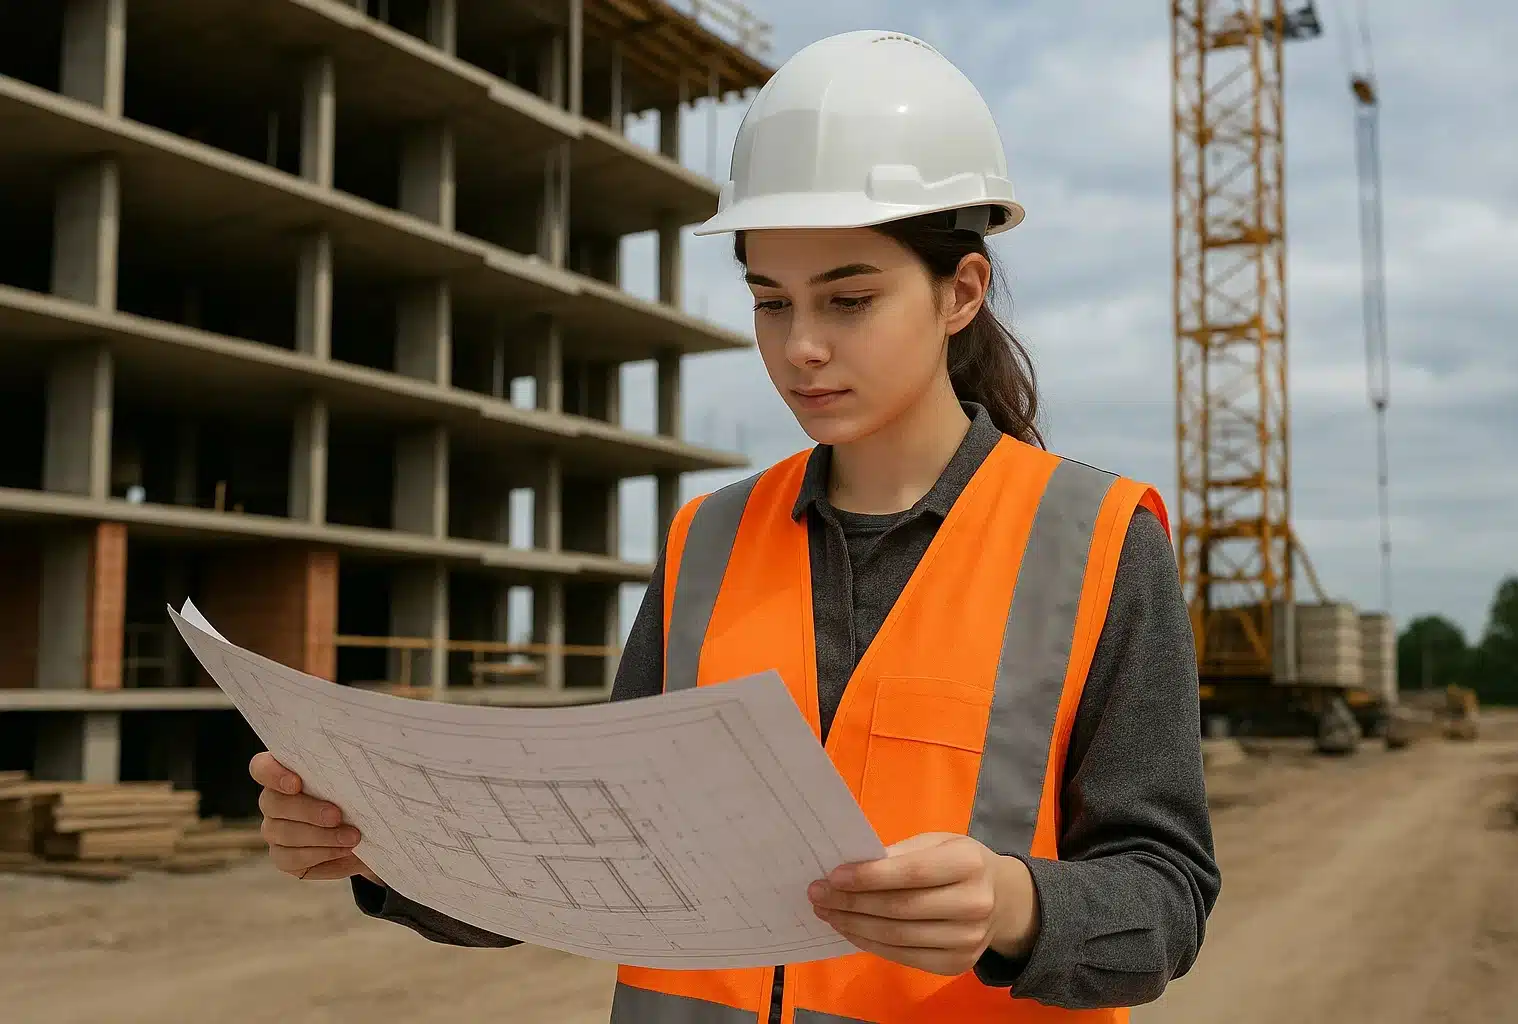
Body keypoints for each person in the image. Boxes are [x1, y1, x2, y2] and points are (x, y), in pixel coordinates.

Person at [250, 28, 1219, 1024]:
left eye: (849, 299)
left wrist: (1017, 905)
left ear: (960, 290)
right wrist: (380, 846)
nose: (801, 346)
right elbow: (591, 860)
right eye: (770, 301)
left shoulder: (1096, 542)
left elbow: (1166, 901)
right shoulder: (705, 543)